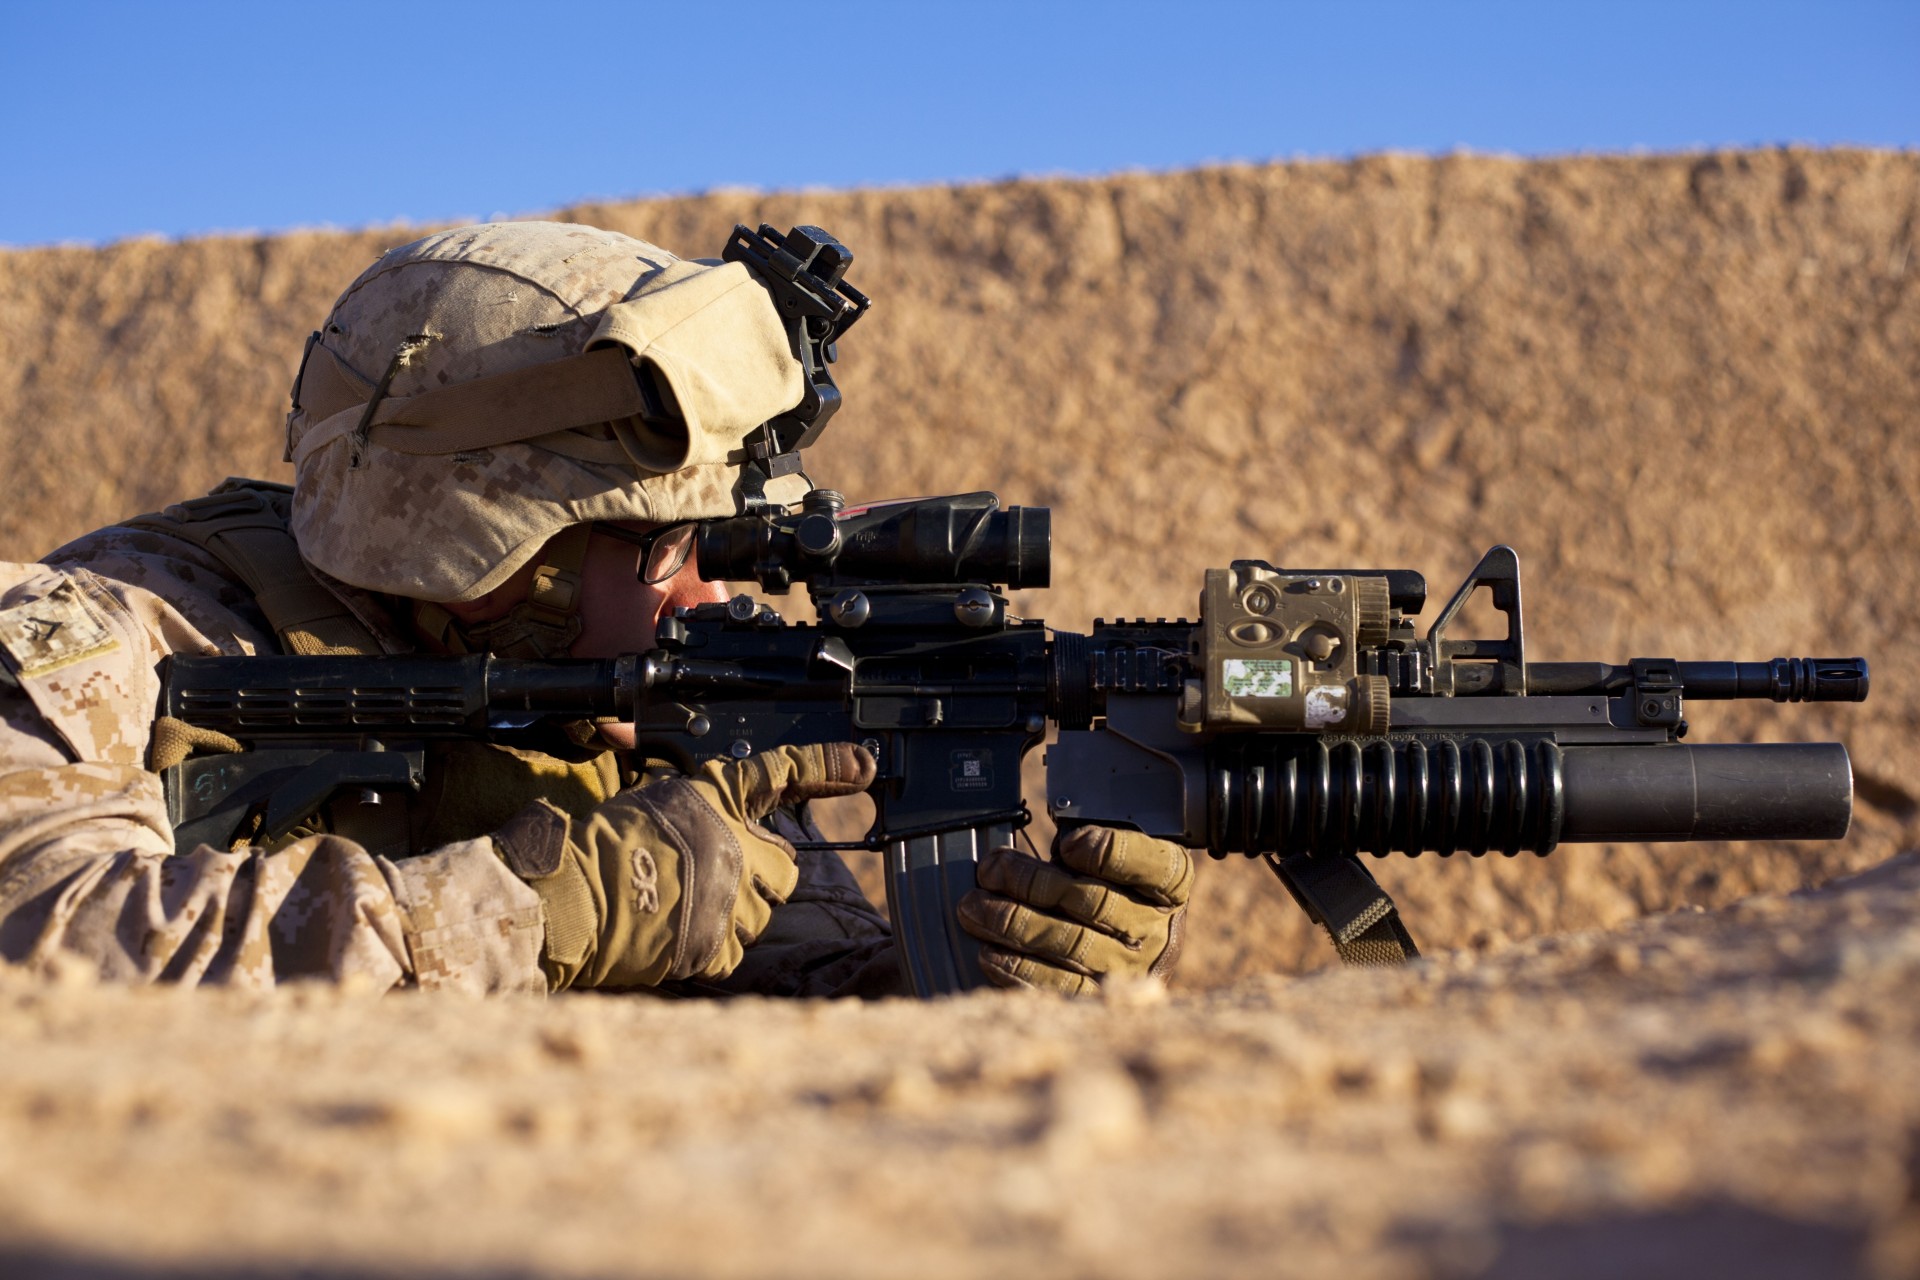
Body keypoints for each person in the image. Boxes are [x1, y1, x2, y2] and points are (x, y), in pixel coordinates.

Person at [0, 220, 1192, 997]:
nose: (711, 595)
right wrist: (531, 911)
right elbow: (41, 939)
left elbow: (798, 999)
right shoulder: (121, 637)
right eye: (672, 544)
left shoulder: (653, 706)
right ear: (488, 543)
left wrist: (994, 972)